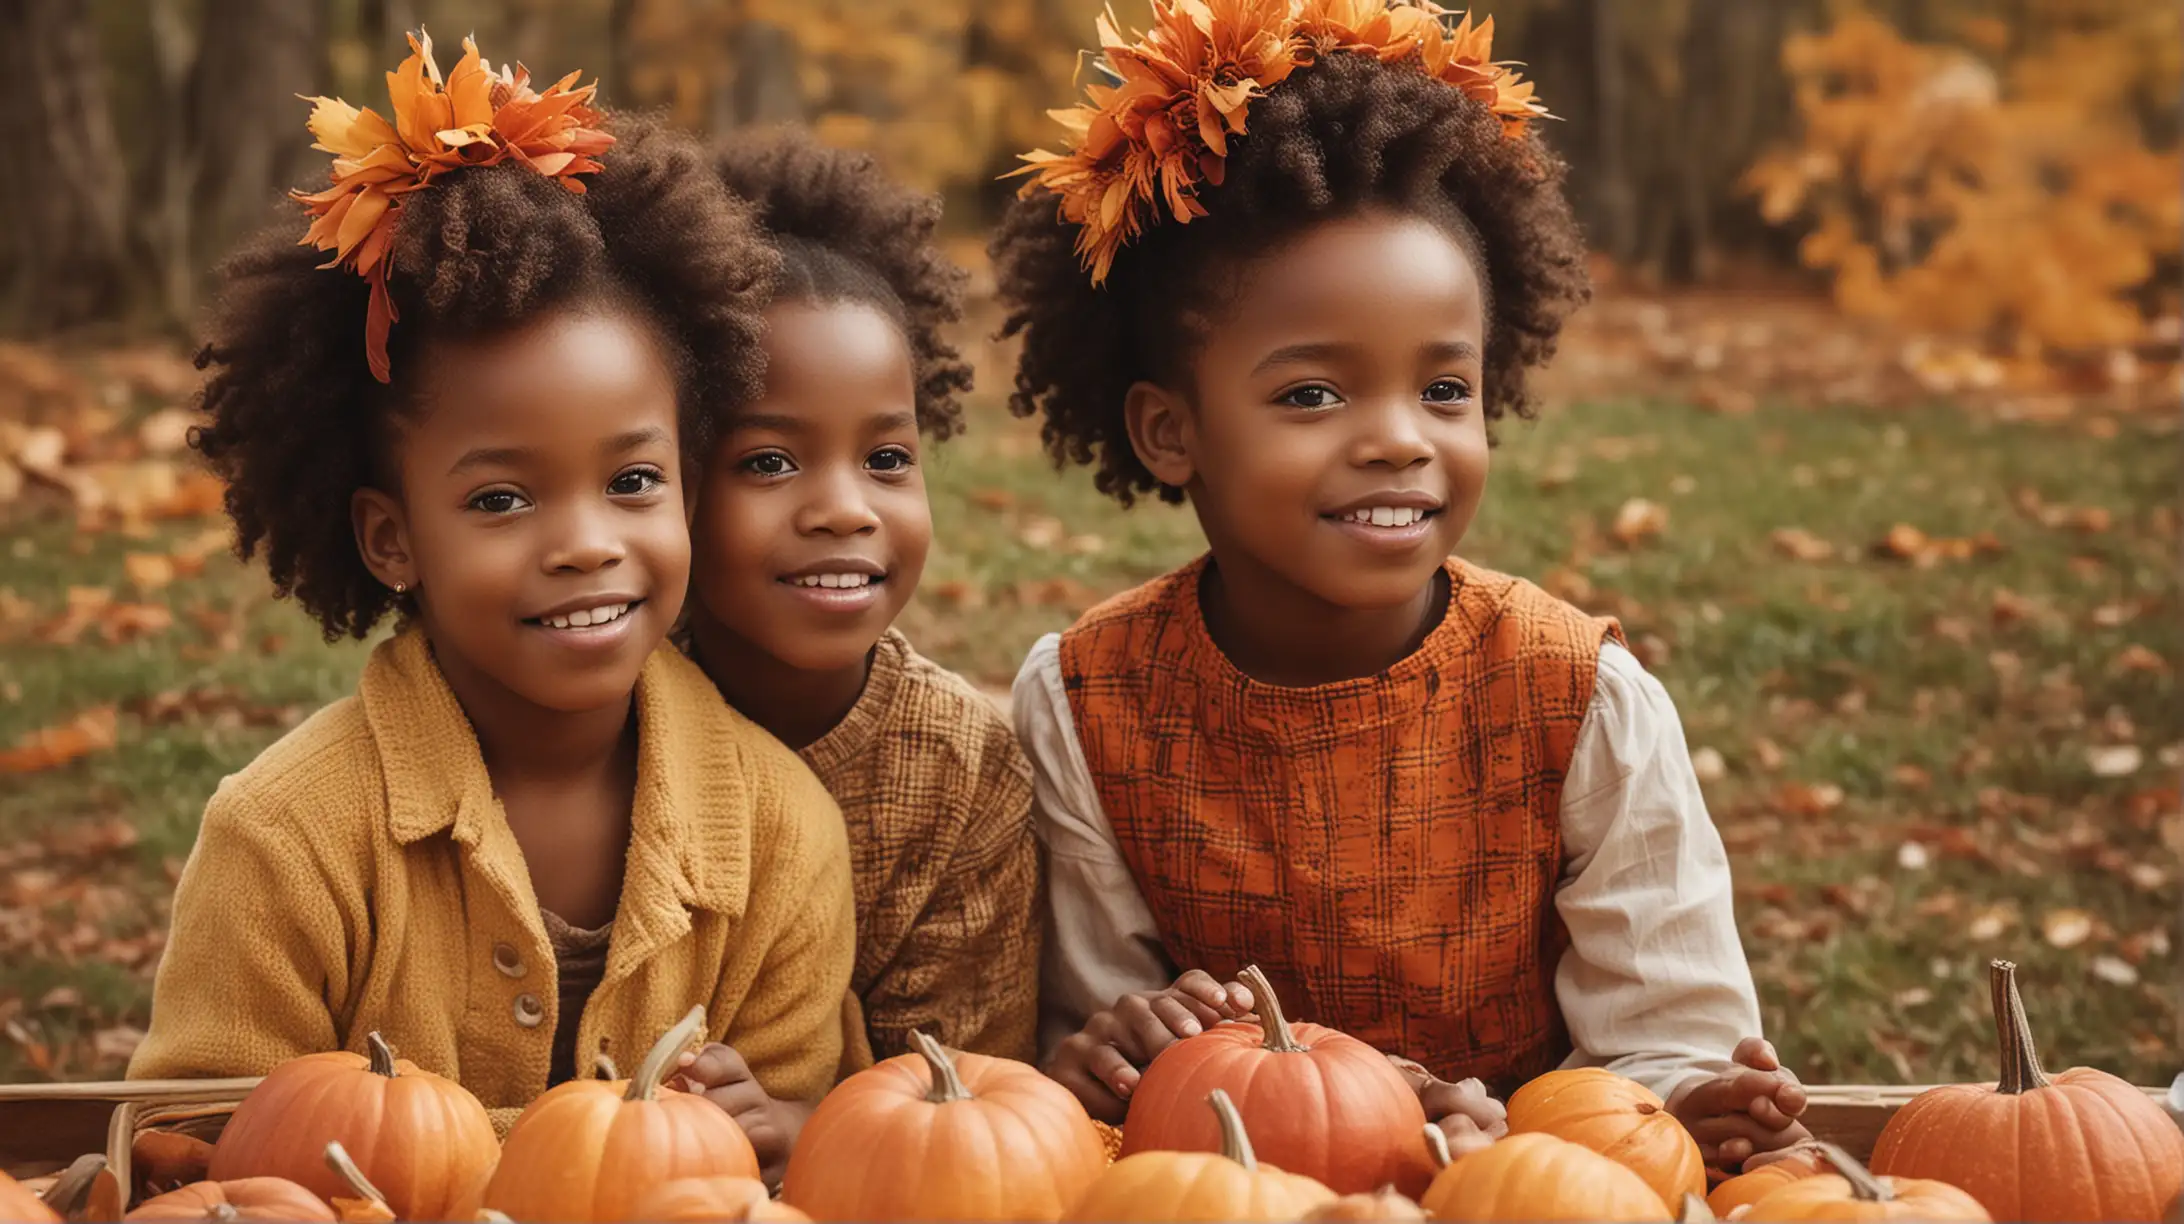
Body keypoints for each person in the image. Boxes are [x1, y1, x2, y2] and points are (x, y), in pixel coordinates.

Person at [990, 0, 1810, 1174]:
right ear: (1171, 432)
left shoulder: (1581, 700)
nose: (1398, 441)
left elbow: (1667, 1051)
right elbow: (1099, 1062)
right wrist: (1119, 1045)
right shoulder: (1087, 702)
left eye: (1444, 390)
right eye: (1314, 395)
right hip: (1230, 1184)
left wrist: (1573, 1126)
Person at [127, 32, 855, 1136]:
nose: (584, 543)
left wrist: (777, 1125)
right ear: (391, 538)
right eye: (502, 501)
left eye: (632, 480)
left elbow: (822, 1158)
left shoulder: (781, 837)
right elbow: (190, 1152)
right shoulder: (286, 840)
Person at [669, 129, 1042, 1184]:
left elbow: (967, 1091)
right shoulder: (602, 704)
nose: (843, 509)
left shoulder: (964, 771)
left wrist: (810, 1117)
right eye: (771, 461)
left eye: (886, 459)